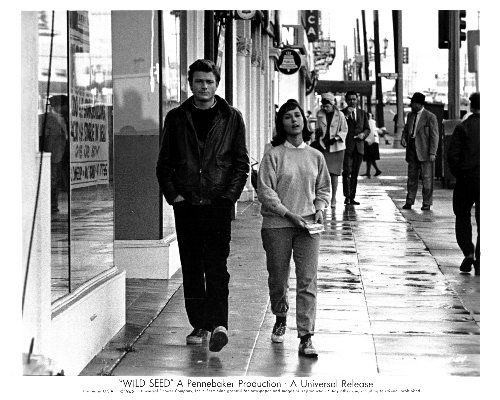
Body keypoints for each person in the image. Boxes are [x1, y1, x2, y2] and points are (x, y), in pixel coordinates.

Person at [156, 59, 250, 352]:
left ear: (216, 83)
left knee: (217, 266)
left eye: (209, 81)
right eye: (198, 81)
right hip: (187, 207)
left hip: (217, 205)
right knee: (193, 267)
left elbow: (241, 164)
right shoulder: (176, 118)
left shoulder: (232, 118)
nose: (204, 87)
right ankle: (199, 323)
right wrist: (176, 198)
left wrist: (228, 198)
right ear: (190, 83)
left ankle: (219, 323)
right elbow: (164, 165)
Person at [257, 100, 331, 358]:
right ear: (282, 123)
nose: (294, 120)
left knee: (308, 279)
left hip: (309, 226)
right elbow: (265, 192)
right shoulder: (273, 155)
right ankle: (280, 316)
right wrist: (289, 214)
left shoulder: (316, 156)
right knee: (278, 277)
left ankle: (306, 336)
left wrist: (320, 208)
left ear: (304, 120)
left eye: (297, 115)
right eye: (288, 117)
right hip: (278, 224)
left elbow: (323, 189)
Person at [447, 92, 480, 276]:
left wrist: (460, 174)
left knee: (462, 216)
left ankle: (468, 251)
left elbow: (452, 157)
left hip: (466, 180)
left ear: (470, 106)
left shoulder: (463, 127)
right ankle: (481, 260)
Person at [401, 92, 439, 211]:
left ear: (419, 104)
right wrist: (403, 137)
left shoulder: (430, 117)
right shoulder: (410, 115)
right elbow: (407, 129)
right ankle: (409, 200)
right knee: (411, 178)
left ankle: (427, 202)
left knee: (427, 178)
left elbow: (434, 136)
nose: (411, 105)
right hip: (412, 150)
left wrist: (433, 152)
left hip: (425, 151)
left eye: (412, 102)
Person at [314, 92, 348, 208]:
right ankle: (323, 198)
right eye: (323, 106)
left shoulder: (341, 115)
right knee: (323, 174)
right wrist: (318, 135)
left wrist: (336, 138)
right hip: (323, 146)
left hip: (337, 148)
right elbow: (317, 129)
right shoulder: (320, 114)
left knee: (334, 174)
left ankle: (333, 198)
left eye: (327, 106)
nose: (325, 108)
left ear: (332, 104)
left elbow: (344, 130)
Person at [39, 95, 68, 213]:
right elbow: (45, 138)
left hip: (60, 155)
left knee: (56, 181)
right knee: (53, 180)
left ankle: (53, 204)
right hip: (53, 155)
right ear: (58, 106)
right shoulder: (47, 118)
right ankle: (51, 205)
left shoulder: (63, 118)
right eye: (64, 106)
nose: (66, 108)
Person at [341, 91, 370, 205]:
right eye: (350, 99)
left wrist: (363, 135)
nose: (352, 101)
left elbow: (367, 128)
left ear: (357, 100)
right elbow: (340, 126)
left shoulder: (363, 113)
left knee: (355, 173)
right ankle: (347, 196)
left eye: (354, 99)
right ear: (346, 101)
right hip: (347, 147)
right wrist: (347, 115)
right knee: (346, 171)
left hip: (359, 147)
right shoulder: (342, 113)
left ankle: (352, 197)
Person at [361, 113, 382, 178]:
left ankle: (372, 171)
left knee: (369, 158)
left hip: (371, 142)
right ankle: (371, 172)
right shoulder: (371, 122)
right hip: (372, 141)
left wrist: (369, 141)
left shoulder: (370, 122)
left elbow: (372, 132)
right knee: (369, 158)